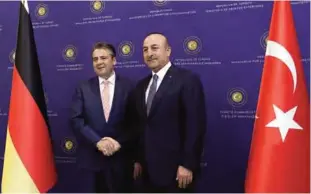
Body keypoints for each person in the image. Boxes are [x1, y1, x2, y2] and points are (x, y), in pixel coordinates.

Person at [132, 32, 207, 192]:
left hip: (176, 172)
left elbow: (195, 125)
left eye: (154, 48)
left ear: (168, 51)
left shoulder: (187, 80)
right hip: (146, 172)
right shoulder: (141, 86)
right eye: (145, 50)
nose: (149, 53)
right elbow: (141, 126)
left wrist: (187, 164)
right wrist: (137, 159)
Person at [70, 42, 135, 193]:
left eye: (103, 58)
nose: (99, 62)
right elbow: (76, 119)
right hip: (91, 163)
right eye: (95, 59)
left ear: (114, 60)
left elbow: (136, 122)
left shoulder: (130, 87)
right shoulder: (83, 88)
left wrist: (119, 142)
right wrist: (97, 141)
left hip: (121, 162)